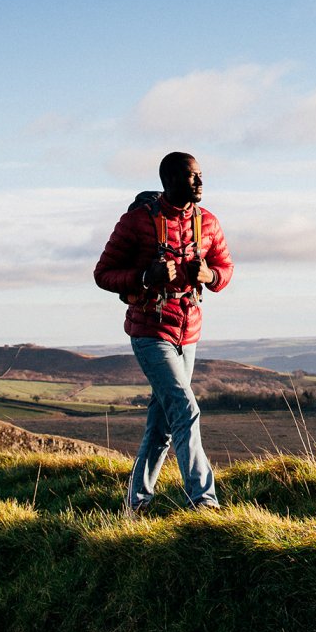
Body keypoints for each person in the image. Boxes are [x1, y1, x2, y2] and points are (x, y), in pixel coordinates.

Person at [93, 151, 234, 512]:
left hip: (189, 332)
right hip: (149, 330)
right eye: (192, 176)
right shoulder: (135, 223)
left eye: (201, 175)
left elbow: (225, 267)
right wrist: (144, 277)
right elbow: (103, 273)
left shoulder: (209, 223)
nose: (201, 182)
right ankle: (203, 500)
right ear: (169, 180)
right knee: (185, 410)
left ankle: (135, 503)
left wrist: (210, 276)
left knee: (162, 428)